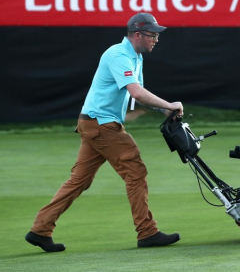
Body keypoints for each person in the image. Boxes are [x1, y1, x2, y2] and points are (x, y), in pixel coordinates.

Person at [25, 13, 183, 252]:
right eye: (153, 35)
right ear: (138, 35)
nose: (156, 39)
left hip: (93, 123)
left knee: (79, 181)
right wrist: (170, 105)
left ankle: (39, 230)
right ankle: (147, 232)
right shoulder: (119, 55)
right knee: (136, 171)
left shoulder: (135, 57)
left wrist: (162, 111)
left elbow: (135, 94)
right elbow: (138, 93)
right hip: (102, 125)